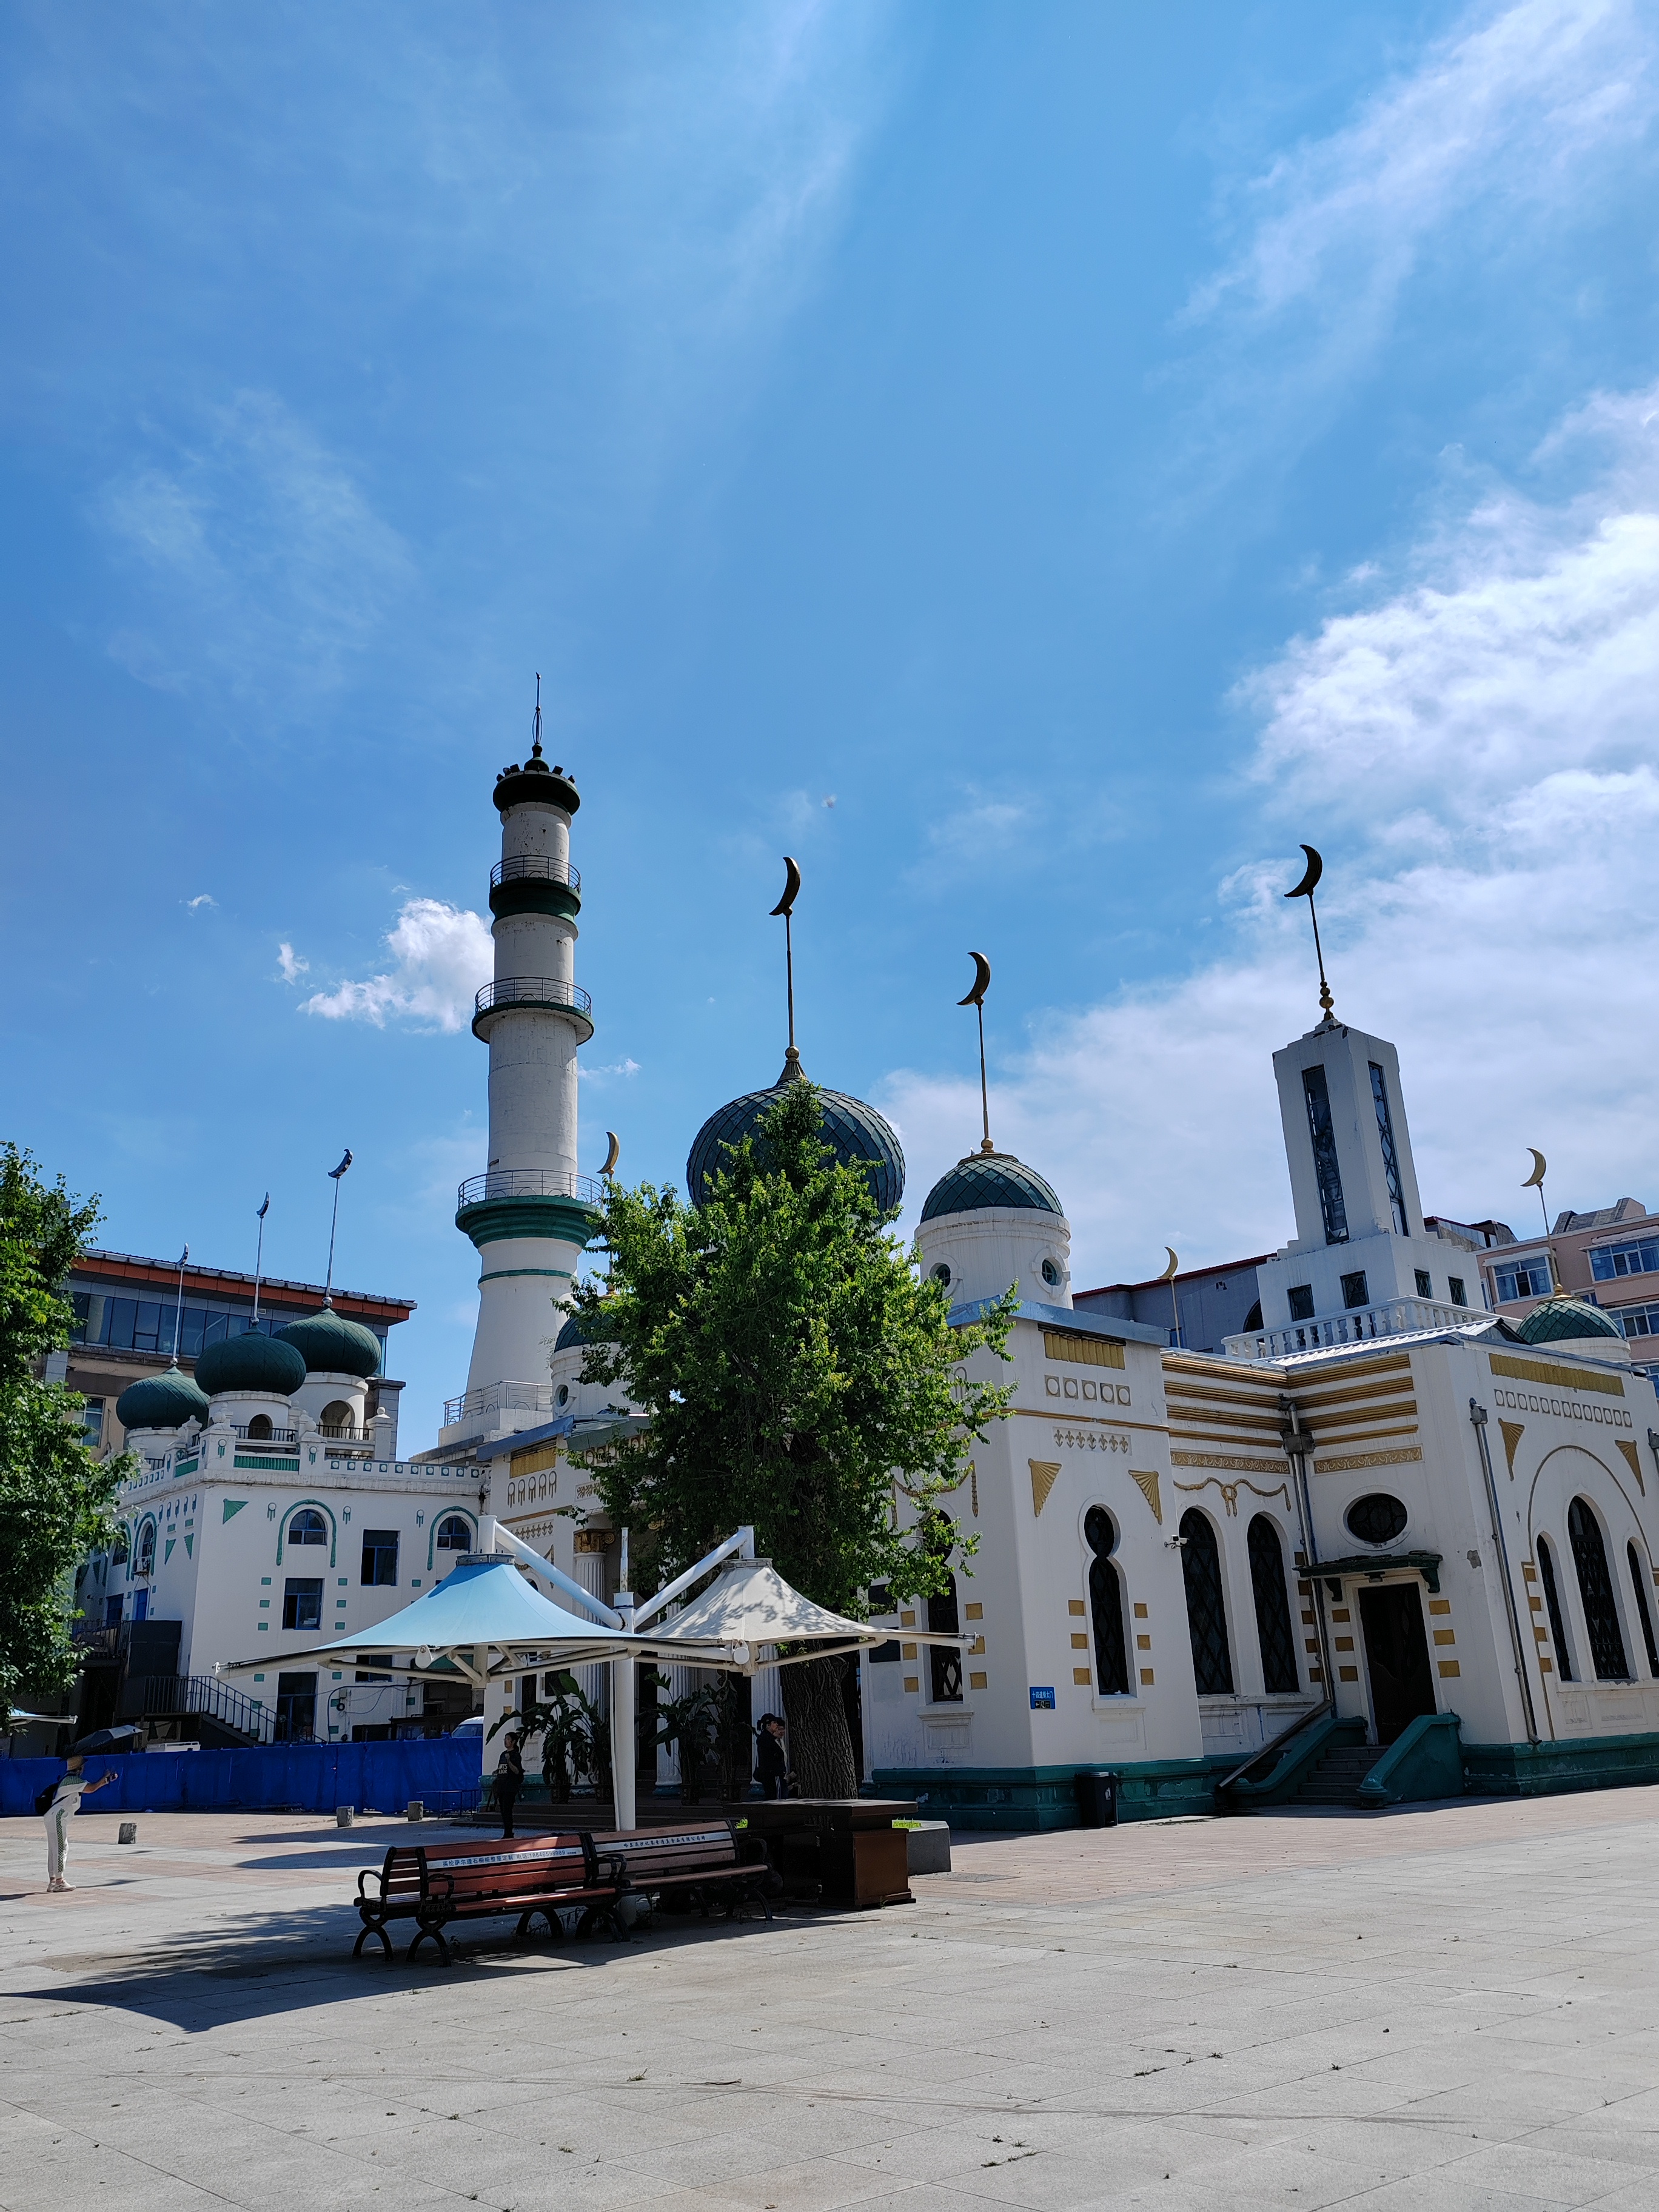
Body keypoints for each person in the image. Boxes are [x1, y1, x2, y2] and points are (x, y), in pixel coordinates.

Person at [42, 1756, 115, 1892]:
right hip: (58, 1816)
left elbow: (90, 1787)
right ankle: (60, 1882)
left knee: (54, 1848)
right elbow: (91, 1788)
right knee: (61, 1848)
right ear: (79, 1768)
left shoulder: (68, 1779)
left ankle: (53, 1881)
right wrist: (105, 1778)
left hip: (52, 1816)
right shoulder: (72, 1780)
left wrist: (105, 1780)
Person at [494, 1730, 525, 1838]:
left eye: (508, 1740)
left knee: (507, 1810)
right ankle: (506, 1831)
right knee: (503, 1811)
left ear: (513, 1742)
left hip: (510, 1787)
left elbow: (517, 1771)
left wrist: (509, 1762)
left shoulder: (515, 1755)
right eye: (505, 1740)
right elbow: (502, 1768)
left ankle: (509, 1832)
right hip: (501, 1787)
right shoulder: (503, 1754)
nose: (506, 1742)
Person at [754, 1713, 788, 1800]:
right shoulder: (767, 1740)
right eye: (774, 1723)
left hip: (771, 1775)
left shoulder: (767, 1739)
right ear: (768, 1725)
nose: (777, 1725)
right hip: (774, 1775)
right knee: (777, 1799)